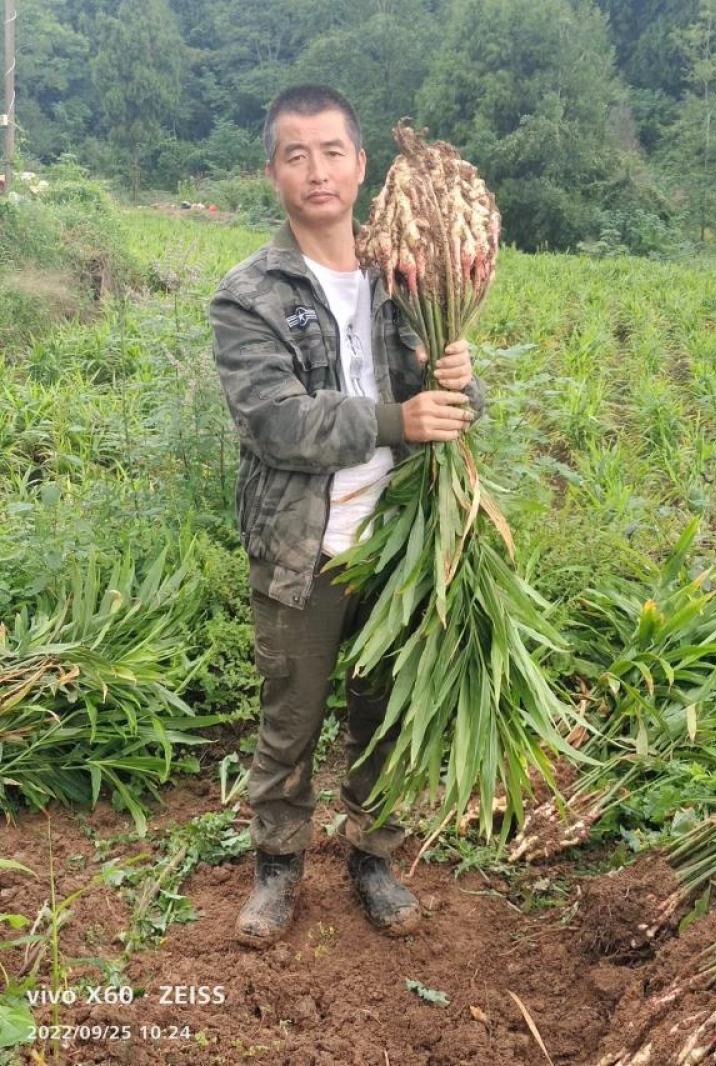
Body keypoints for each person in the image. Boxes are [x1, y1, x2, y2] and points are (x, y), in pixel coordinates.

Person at [210, 84, 485, 948]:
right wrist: (391, 420)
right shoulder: (250, 293)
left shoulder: (407, 270)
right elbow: (276, 424)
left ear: (361, 164)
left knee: (386, 714)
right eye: (295, 154)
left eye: (331, 151)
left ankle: (374, 856)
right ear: (273, 171)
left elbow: (453, 404)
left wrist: (459, 381)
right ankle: (278, 868)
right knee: (289, 716)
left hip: (400, 544)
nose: (316, 170)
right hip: (303, 549)